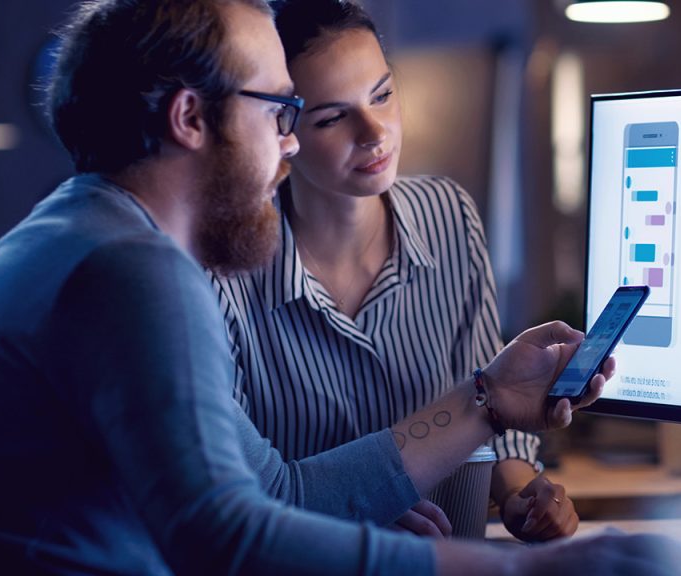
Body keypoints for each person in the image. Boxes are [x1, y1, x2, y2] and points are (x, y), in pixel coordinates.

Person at [0, 0, 681, 574]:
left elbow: (278, 496)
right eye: (281, 111)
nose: (291, 142)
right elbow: (228, 544)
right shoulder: (134, 272)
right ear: (190, 118)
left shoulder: (68, 237)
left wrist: (487, 399)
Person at [209, 0, 573, 542]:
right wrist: (345, 510)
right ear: (280, 129)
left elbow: (492, 411)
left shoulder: (449, 214)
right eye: (333, 117)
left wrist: (523, 495)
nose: (375, 132)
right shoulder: (226, 270)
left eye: (382, 94)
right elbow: (231, 494)